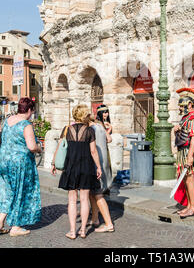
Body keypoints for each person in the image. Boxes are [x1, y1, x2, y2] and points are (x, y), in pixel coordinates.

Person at [51, 104, 102, 240]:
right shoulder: (90, 131)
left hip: (71, 167)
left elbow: (60, 147)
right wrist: (98, 167)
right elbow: (93, 151)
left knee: (72, 200)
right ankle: (84, 230)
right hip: (86, 167)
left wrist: (53, 163)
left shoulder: (67, 129)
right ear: (84, 115)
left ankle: (73, 231)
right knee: (85, 200)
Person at [0, 98, 42, 237]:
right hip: (20, 164)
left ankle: (0, 223)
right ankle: (16, 227)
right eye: (32, 111)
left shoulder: (7, 120)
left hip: (4, 161)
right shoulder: (25, 124)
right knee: (20, 192)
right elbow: (31, 146)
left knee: (8, 192)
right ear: (29, 110)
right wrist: (39, 149)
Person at [173, 88, 194, 219]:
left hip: (187, 153)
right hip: (182, 152)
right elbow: (183, 136)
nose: (180, 108)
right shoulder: (185, 119)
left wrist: (190, 156)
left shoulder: (193, 120)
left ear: (189, 104)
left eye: (182, 105)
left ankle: (193, 207)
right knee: (186, 180)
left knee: (190, 180)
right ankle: (189, 206)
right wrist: (176, 130)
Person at [88, 108, 114, 233]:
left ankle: (109, 224)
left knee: (97, 194)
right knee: (92, 193)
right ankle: (95, 219)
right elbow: (109, 139)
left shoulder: (91, 129)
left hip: (95, 164)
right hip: (102, 161)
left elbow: (92, 150)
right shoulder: (99, 126)